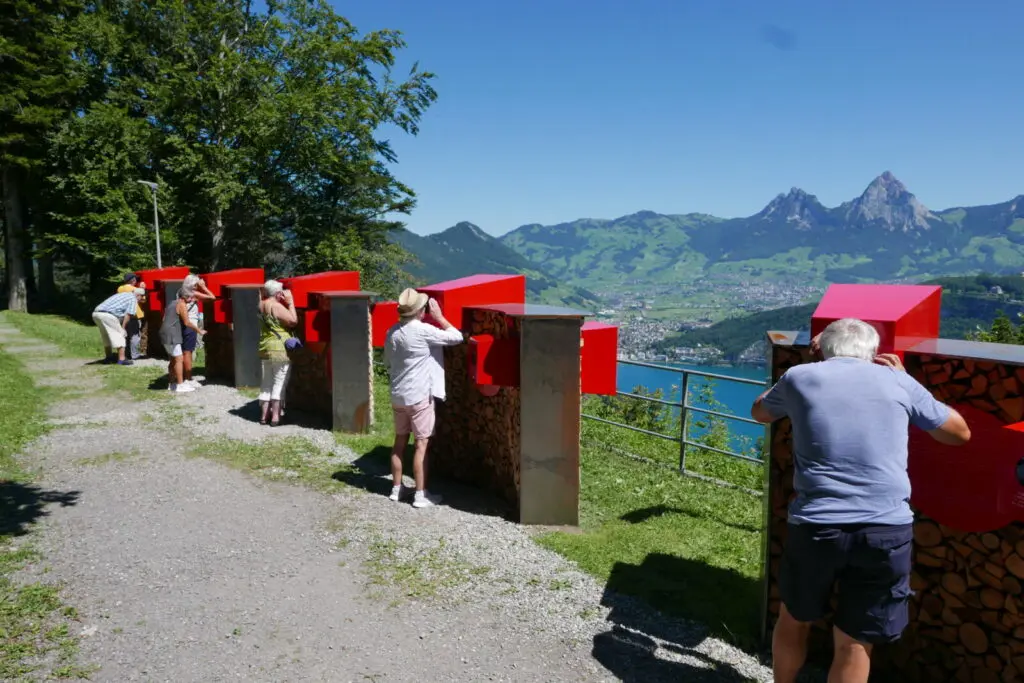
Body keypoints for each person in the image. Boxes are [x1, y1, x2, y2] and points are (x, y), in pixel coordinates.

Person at [751, 318, 971, 683]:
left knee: (795, 618)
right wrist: (906, 381)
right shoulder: (897, 380)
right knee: (855, 642)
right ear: (873, 353)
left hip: (816, 525)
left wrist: (807, 365)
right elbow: (959, 433)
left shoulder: (801, 377)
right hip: (885, 528)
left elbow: (760, 412)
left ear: (821, 349)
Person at [383, 288, 465, 508]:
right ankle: (420, 495)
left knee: (399, 442)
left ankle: (396, 489)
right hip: (419, 396)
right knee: (421, 445)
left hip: (398, 395)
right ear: (421, 311)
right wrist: (439, 318)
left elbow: (388, 360)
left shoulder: (392, 331)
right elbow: (456, 337)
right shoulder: (423, 330)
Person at [257, 280, 297, 426]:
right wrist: (291, 303)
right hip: (279, 349)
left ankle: (263, 416)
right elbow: (293, 321)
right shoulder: (276, 306)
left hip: (264, 348)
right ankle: (275, 417)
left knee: (266, 383)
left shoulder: (261, 304)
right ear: (278, 293)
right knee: (279, 382)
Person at [159, 287, 204, 394]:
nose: (193, 298)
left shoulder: (171, 303)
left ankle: (172, 383)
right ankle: (180, 385)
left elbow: (164, 318)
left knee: (173, 359)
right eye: (191, 296)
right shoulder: (182, 304)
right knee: (179, 359)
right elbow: (187, 322)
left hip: (164, 333)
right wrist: (199, 330)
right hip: (172, 334)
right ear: (185, 297)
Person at [92, 288, 146, 365]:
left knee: (106, 336)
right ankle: (122, 359)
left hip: (96, 314)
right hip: (108, 315)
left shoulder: (123, 294)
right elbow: (128, 315)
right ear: (138, 295)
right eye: (142, 296)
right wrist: (123, 328)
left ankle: (109, 358)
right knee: (120, 335)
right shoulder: (133, 299)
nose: (141, 298)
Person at [179, 274, 215, 388]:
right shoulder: (193, 294)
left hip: (183, 325)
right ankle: (188, 378)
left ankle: (184, 376)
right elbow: (212, 297)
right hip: (191, 325)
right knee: (188, 352)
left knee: (185, 351)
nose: (196, 286)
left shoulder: (180, 291)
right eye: (195, 285)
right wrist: (203, 287)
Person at [116, 274, 146, 360]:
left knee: (125, 335)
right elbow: (143, 300)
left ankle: (126, 354)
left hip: (122, 314)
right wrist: (142, 289)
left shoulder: (120, 288)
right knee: (135, 336)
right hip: (133, 314)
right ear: (133, 280)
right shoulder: (135, 289)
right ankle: (135, 355)